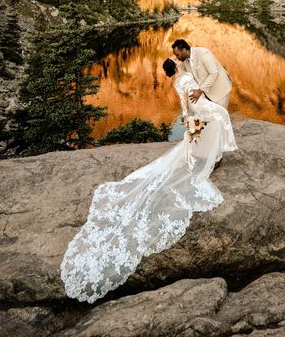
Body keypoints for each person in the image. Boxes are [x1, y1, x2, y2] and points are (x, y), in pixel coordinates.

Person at [60, 57, 237, 304]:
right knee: (219, 117)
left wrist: (189, 116)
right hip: (201, 109)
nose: (179, 61)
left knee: (212, 122)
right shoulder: (184, 77)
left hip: (198, 110)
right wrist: (188, 116)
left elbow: (187, 100)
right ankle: (211, 155)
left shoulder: (179, 79)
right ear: (176, 67)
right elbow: (187, 101)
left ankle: (206, 153)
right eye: (177, 61)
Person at [172, 38, 232, 109]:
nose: (177, 57)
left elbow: (214, 73)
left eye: (178, 55)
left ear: (184, 50)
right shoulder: (185, 62)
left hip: (219, 90)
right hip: (206, 93)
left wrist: (200, 91)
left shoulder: (203, 53)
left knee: (220, 117)